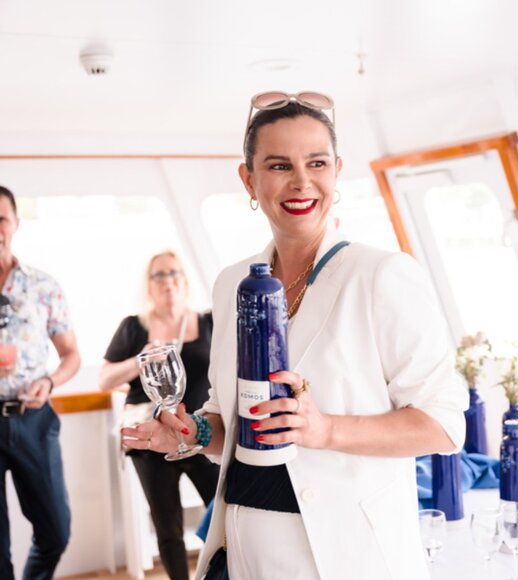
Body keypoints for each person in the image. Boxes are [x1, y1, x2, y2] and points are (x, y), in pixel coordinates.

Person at [122, 93, 468, 579]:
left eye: (317, 163)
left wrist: (326, 429)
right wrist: (192, 433)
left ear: (337, 172)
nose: (301, 181)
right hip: (241, 549)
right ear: (249, 180)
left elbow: (444, 425)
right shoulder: (231, 283)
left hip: (342, 558)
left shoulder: (383, 275)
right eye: (279, 165)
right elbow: (232, 420)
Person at [99, 250, 219, 580]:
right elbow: (104, 380)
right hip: (150, 440)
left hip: (201, 433)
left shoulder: (209, 321)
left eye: (174, 273)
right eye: (159, 275)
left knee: (222, 511)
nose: (168, 281)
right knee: (167, 527)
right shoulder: (133, 327)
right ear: (149, 285)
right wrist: (138, 360)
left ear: (185, 280)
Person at [0, 185, 81, 580]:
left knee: (56, 531)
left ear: (15, 223)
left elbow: (71, 355)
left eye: (1, 219)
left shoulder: (43, 286)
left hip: (33, 418)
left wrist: (48, 383)